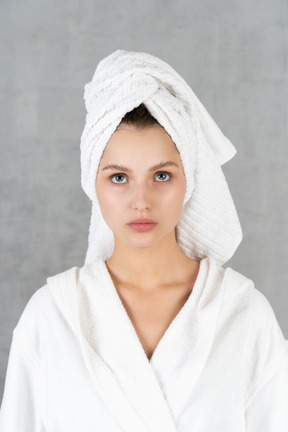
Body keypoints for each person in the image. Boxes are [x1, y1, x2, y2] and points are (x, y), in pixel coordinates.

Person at [0, 50, 287, 431]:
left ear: (189, 181)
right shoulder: (50, 318)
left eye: (162, 176)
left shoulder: (245, 317)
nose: (141, 201)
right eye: (119, 177)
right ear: (93, 184)